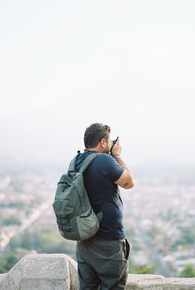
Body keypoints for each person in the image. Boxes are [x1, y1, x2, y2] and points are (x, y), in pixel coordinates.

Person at [75, 123, 134, 290]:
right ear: (102, 142)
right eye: (108, 142)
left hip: (84, 241)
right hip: (108, 241)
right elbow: (129, 182)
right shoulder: (105, 160)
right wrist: (117, 155)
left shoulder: (76, 161)